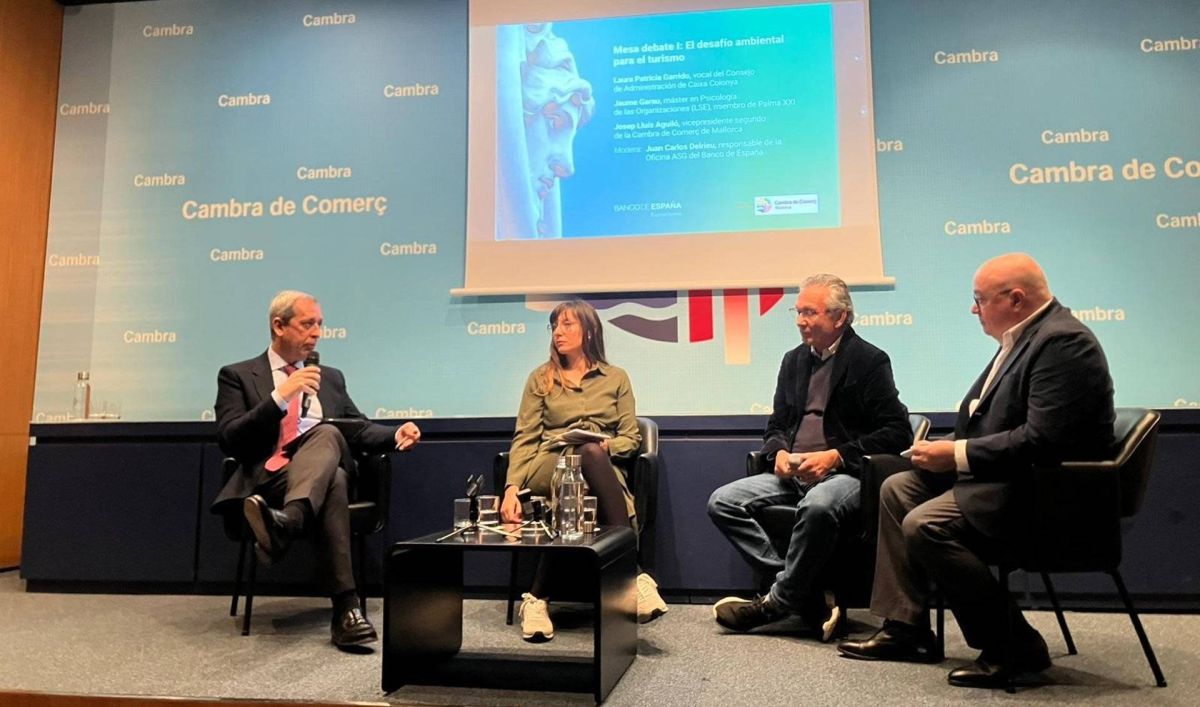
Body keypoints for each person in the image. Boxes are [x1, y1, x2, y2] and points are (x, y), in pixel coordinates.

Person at [837, 253, 1115, 689]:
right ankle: (907, 628)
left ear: (1016, 299)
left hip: (1043, 494)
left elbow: (1043, 439)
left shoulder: (1062, 342)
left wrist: (958, 454)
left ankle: (1015, 645)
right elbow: (991, 423)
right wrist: (946, 448)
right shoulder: (1023, 338)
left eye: (980, 299)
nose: (973, 309)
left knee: (926, 524)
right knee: (897, 488)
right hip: (1005, 479)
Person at [211, 290, 422, 649]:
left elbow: (358, 428)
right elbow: (230, 439)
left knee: (327, 438)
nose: (317, 333)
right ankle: (346, 613)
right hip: (269, 479)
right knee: (334, 477)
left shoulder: (331, 377)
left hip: (310, 480)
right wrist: (280, 396)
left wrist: (395, 434)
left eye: (320, 324)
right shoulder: (237, 375)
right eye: (307, 324)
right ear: (279, 326)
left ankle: (289, 522)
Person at [707, 274, 911, 640]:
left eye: (810, 312)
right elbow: (777, 424)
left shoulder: (869, 360)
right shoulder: (793, 361)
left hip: (842, 474)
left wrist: (835, 456)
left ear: (840, 317)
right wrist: (778, 452)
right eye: (798, 312)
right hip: (793, 471)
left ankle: (777, 601)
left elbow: (897, 431)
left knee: (818, 506)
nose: (800, 321)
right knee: (722, 502)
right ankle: (802, 591)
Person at [499, 300, 667, 641]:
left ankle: (536, 600)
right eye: (554, 326)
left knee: (584, 465)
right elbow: (526, 437)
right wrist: (511, 487)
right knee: (581, 459)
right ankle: (634, 576)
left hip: (597, 468)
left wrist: (607, 447)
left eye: (567, 325)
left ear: (588, 331)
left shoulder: (616, 378)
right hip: (547, 463)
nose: (557, 333)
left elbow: (630, 438)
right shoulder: (541, 378)